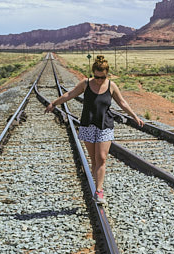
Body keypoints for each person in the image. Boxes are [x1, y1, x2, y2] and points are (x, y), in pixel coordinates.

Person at [45, 55, 144, 204]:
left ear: (106, 74)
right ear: (93, 74)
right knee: (94, 160)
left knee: (102, 158)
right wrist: (54, 103)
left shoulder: (111, 86)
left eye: (102, 77)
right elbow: (70, 94)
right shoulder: (85, 83)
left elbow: (122, 102)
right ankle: (96, 185)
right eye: (96, 77)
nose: (99, 80)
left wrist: (135, 117)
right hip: (88, 124)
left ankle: (99, 191)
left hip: (105, 125)